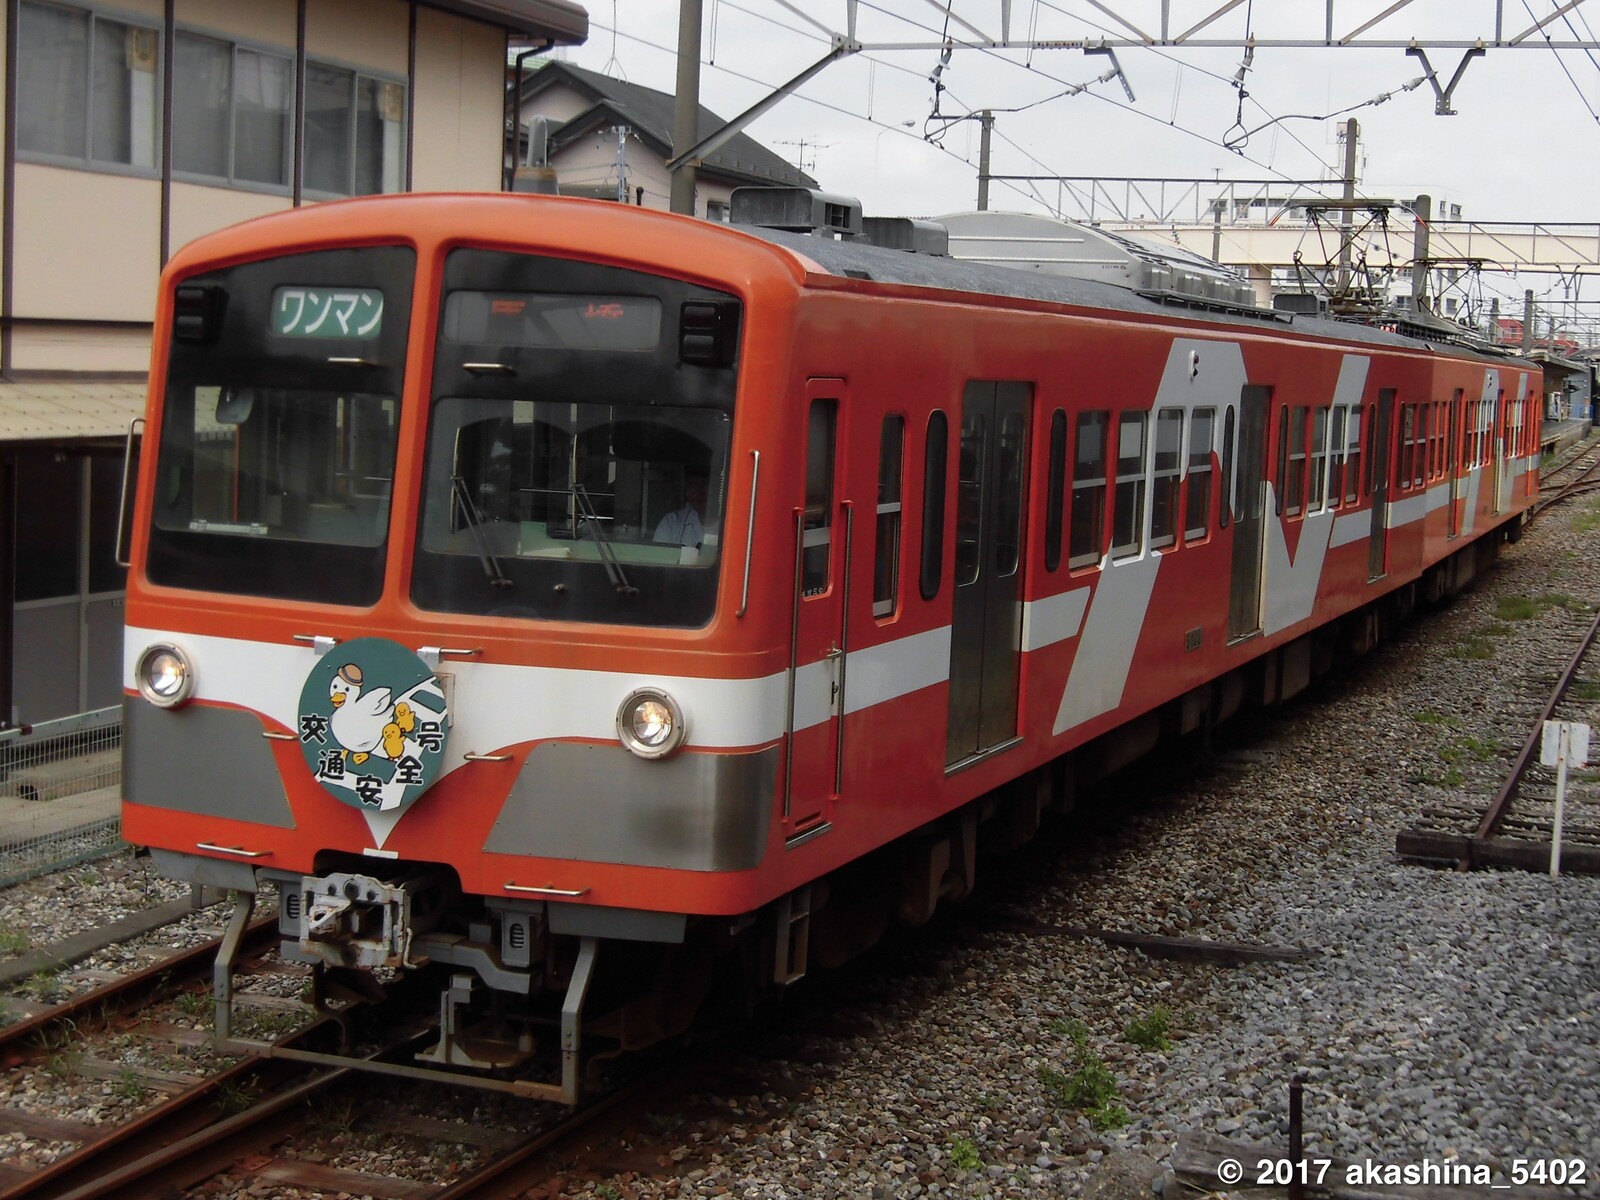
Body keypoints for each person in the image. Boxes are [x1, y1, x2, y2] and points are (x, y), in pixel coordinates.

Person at [654, 471, 711, 548]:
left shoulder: (730, 523)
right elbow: (659, 557)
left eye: (705, 484)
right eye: (694, 485)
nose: (699, 492)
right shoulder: (671, 523)